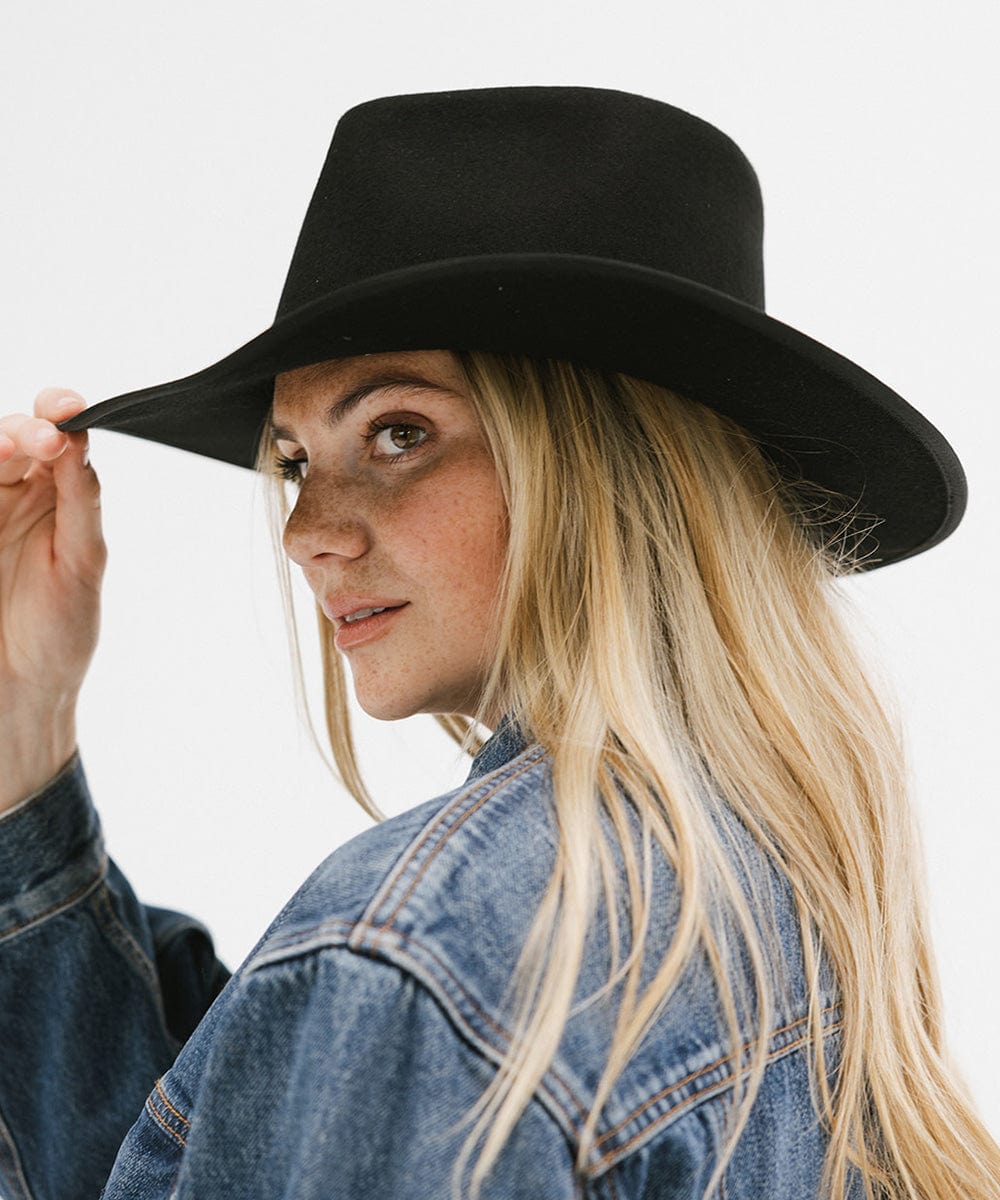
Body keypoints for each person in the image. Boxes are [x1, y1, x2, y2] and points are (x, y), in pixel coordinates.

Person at [0, 86, 996, 1200]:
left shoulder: (410, 962)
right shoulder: (780, 885)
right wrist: (23, 733)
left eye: (397, 432)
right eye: (294, 460)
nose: (307, 532)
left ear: (616, 465)